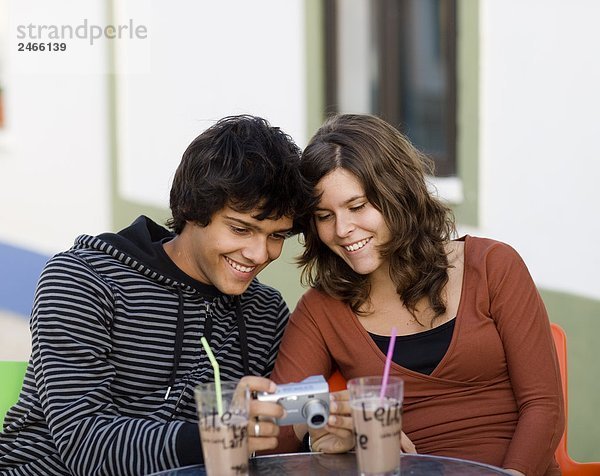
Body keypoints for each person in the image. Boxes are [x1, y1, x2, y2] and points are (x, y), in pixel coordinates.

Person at [0, 115, 310, 475]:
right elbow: (84, 444)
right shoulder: (83, 280)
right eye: (242, 229)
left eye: (276, 236)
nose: (260, 254)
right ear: (194, 209)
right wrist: (216, 437)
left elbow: (270, 445)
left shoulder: (265, 312)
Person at [270, 114, 564, 476]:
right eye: (324, 215)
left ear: (398, 194)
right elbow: (278, 434)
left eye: (357, 206)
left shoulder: (492, 267)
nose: (343, 230)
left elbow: (544, 406)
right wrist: (328, 425)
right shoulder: (322, 309)